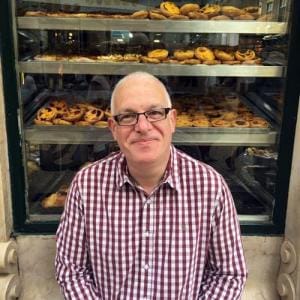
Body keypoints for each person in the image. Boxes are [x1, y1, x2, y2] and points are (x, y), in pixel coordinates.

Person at [55, 71, 247, 299]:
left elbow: (228, 274)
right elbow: (71, 270)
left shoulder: (210, 186)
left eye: (155, 113)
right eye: (127, 116)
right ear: (113, 128)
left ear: (173, 120)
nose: (143, 126)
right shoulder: (87, 185)